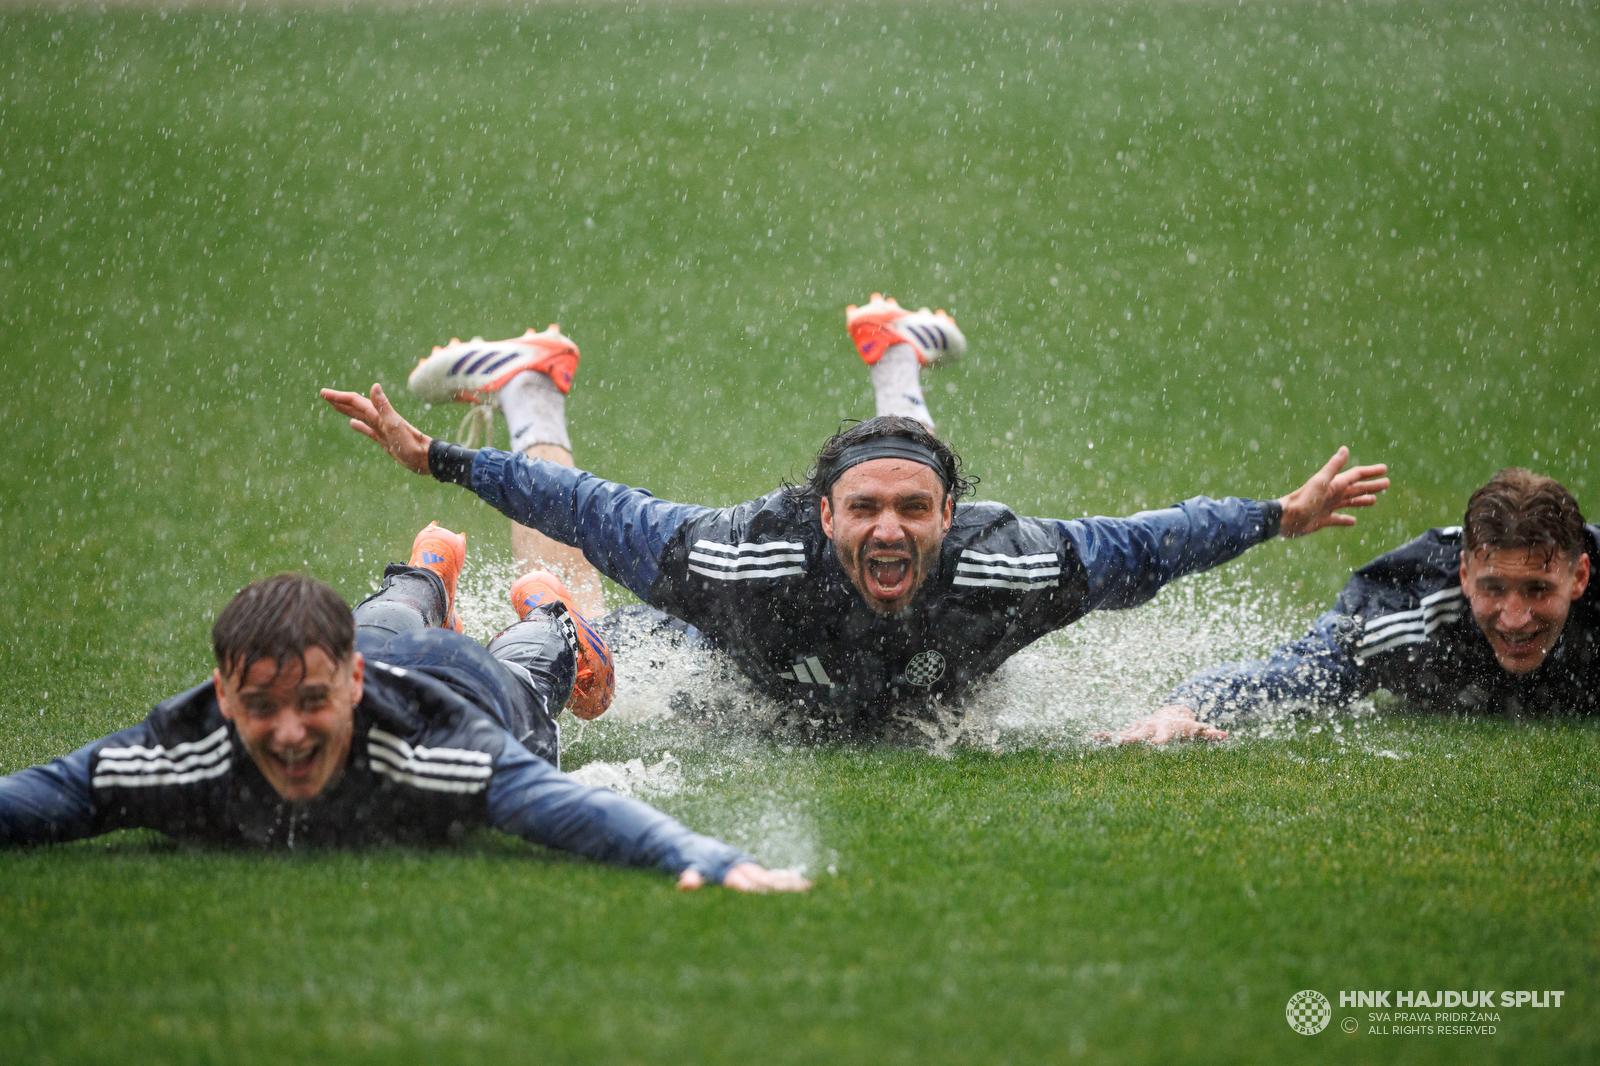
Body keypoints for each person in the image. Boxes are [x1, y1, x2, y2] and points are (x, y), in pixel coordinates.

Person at [322, 294, 1390, 731]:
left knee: (904, 478)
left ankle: (897, 354)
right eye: (860, 510)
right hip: (727, 646)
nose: (888, 529)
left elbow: (1145, 544)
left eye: (918, 512)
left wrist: (1272, 517)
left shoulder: (1003, 559)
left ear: (954, 513)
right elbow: (589, 505)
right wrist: (445, 460)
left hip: (937, 540)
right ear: (817, 515)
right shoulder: (742, 558)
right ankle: (532, 384)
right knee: (573, 605)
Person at [0, 522, 809, 893]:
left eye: (312, 701)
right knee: (384, 619)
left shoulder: (442, 746)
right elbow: (45, 796)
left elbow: (567, 810)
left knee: (522, 669)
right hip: (374, 642)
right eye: (260, 706)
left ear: (349, 685)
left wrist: (698, 858)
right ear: (221, 695)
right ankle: (426, 573)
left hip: (470, 687)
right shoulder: (178, 747)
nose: (288, 733)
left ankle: (554, 617)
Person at [1114, 468, 1597, 743]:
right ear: (1466, 576)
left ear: (1579, 577)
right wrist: (1182, 707)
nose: (1514, 618)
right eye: (1493, 589)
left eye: (1537, 590)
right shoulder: (1404, 608)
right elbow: (1295, 669)